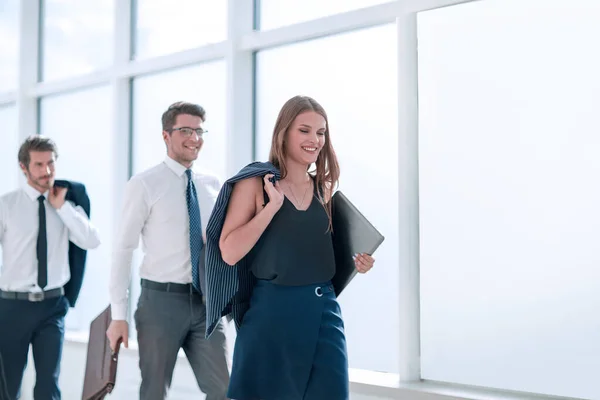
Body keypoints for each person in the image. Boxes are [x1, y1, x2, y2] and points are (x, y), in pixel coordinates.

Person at [204, 95, 376, 400]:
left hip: (324, 313)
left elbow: (318, 252)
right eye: (305, 130)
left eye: (321, 132)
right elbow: (229, 251)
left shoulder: (323, 189)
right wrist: (271, 208)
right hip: (272, 316)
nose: (315, 140)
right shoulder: (256, 184)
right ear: (284, 133)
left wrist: (358, 262)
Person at [106, 101, 230, 400]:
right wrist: (118, 314)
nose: (194, 138)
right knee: (154, 392)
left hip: (207, 303)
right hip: (160, 302)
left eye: (200, 131)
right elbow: (123, 248)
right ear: (166, 135)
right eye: (186, 130)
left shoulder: (213, 184)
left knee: (226, 390)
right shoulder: (144, 184)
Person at [0, 135, 101, 400]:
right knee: (8, 386)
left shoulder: (66, 202)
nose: (46, 171)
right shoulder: (7, 205)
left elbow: (92, 240)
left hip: (52, 306)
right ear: (24, 167)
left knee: (48, 386)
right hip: (13, 306)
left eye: (51, 164)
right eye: (39, 165)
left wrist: (63, 209)